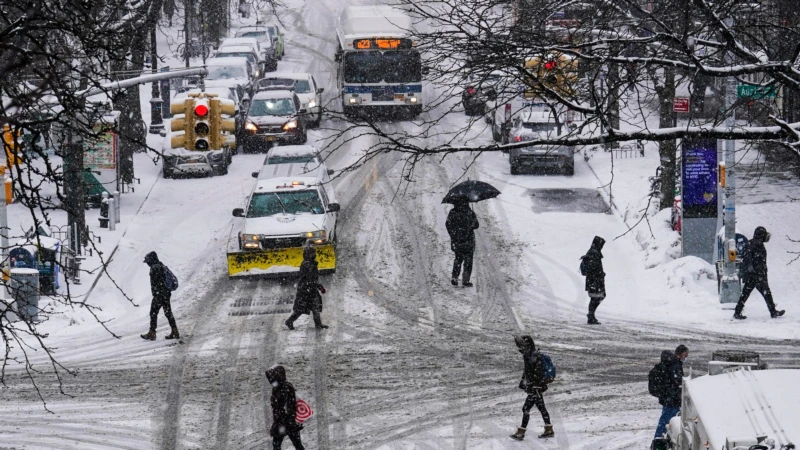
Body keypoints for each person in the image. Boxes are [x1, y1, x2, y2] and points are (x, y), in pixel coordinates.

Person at [734, 226, 785, 320]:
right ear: (761, 235)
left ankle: (737, 312)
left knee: (746, 293)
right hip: (757, 275)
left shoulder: (753, 243)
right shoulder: (756, 244)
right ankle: (773, 312)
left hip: (754, 275)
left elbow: (748, 258)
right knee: (766, 293)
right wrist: (754, 270)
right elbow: (748, 258)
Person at [510, 335, 554, 440]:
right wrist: (523, 382)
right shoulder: (528, 355)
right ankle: (549, 429)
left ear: (528, 345)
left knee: (526, 409)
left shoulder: (534, 357)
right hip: (534, 388)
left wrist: (536, 386)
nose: (521, 348)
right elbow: (527, 372)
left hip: (535, 389)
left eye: (522, 345)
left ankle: (521, 432)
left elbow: (537, 373)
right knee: (541, 408)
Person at [285, 246, 328, 330]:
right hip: (306, 290)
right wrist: (320, 287)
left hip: (307, 289)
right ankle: (290, 321)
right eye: (313, 253)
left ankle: (318, 324)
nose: (314, 254)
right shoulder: (309, 265)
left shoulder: (307, 263)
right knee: (304, 308)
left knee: (313, 307)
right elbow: (311, 279)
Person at [140, 251, 179, 340]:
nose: (147, 264)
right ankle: (175, 330)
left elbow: (157, 283)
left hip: (159, 295)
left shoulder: (155, 268)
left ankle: (152, 333)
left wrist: (157, 294)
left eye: (148, 261)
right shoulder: (161, 265)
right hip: (166, 293)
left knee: (153, 313)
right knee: (168, 312)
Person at [652, 345, 688, 442]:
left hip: (668, 398)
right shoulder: (675, 364)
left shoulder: (671, 363)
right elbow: (676, 381)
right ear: (680, 354)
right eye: (685, 355)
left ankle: (659, 440)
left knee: (665, 419)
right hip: (672, 399)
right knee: (667, 421)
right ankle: (658, 441)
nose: (686, 357)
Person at [265, 365, 305, 450]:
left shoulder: (286, 387)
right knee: (279, 445)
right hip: (283, 421)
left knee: (296, 444)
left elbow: (289, 405)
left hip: (286, 421)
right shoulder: (277, 388)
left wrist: (287, 418)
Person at [445, 201, 479, 287]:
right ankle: (465, 280)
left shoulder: (453, 212)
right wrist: (473, 220)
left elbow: (448, 224)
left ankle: (455, 277)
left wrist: (453, 235)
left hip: (457, 241)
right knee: (468, 260)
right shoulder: (469, 212)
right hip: (468, 240)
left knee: (458, 259)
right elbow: (476, 225)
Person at [580, 236, 606, 325]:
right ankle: (591, 315)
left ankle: (591, 315)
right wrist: (600, 273)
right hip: (595, 280)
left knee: (596, 297)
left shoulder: (593, 251)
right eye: (602, 244)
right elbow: (593, 267)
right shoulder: (594, 252)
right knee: (598, 297)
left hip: (593, 280)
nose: (602, 246)